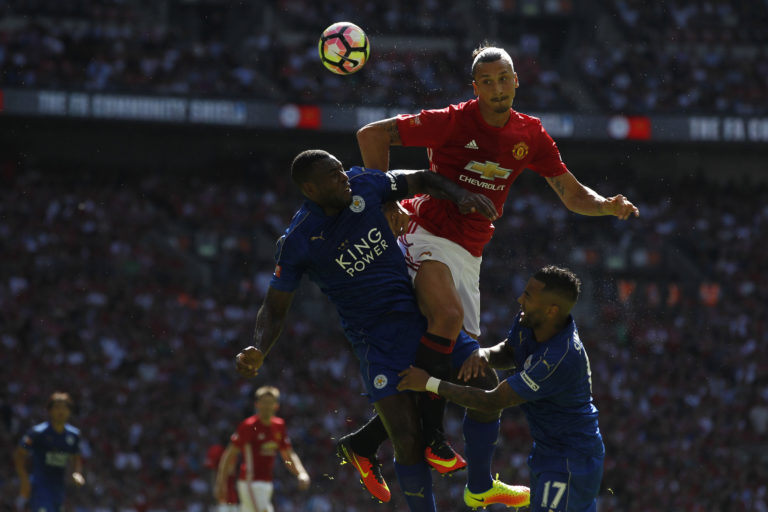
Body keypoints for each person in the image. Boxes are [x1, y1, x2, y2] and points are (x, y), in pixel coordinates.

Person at [343, 43, 637, 497]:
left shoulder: (530, 134)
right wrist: (385, 201)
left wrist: (606, 206)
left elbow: (570, 192)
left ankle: (433, 469)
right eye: (487, 81)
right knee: (447, 319)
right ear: (475, 87)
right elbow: (371, 135)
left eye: (504, 79)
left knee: (476, 376)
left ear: (516, 81)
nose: (497, 88)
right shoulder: (453, 120)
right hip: (425, 231)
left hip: (469, 252)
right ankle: (432, 438)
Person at [234, 149, 528, 511]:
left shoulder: (364, 184)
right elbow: (274, 306)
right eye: (333, 176)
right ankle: (378, 453)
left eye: (341, 169)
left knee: (484, 383)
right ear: (310, 189)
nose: (344, 177)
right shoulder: (299, 240)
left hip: (417, 316)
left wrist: (459, 195)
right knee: (408, 438)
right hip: (376, 340)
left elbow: (422, 178)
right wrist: (259, 348)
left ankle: (479, 485)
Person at [398, 266, 605, 511]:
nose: (520, 299)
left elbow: (492, 401)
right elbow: (510, 351)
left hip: (571, 458)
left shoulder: (559, 358)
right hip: (548, 451)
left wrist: (428, 383)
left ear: (552, 310)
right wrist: (483, 354)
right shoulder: (531, 321)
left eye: (528, 296)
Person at [215, 386, 310, 512]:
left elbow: (288, 454)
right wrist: (221, 483)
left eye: (270, 403)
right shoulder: (248, 426)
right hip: (250, 482)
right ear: (257, 404)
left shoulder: (279, 426)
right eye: (264, 402)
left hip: (267, 484)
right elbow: (229, 455)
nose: (267, 406)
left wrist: (301, 473)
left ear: (276, 406)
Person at [14, 392, 86, 512]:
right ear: (49, 410)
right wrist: (24, 479)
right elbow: (20, 454)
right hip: (40, 488)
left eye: (64, 407)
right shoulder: (37, 433)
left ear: (70, 411)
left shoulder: (74, 435)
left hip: (59, 489)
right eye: (57, 407)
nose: (61, 411)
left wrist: (77, 473)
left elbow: (76, 458)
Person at [206, 437, 239, 512]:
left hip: (229, 496)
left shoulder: (226, 453)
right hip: (225, 496)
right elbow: (230, 470)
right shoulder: (220, 451)